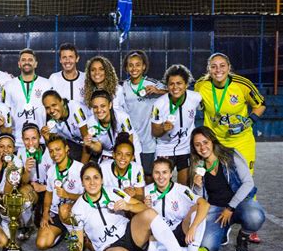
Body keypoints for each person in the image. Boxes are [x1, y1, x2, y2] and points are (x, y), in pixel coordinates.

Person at [65, 162, 200, 251]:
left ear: (101, 179)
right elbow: (77, 236)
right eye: (87, 178)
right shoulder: (77, 209)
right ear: (82, 182)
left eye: (96, 177)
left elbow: (142, 207)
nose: (92, 182)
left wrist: (127, 206)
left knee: (150, 214)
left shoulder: (114, 191)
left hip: (130, 234)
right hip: (108, 247)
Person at [195, 53, 266, 243]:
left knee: (245, 180)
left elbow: (261, 105)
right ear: (208, 69)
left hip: (241, 141)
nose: (218, 70)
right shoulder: (201, 86)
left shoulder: (242, 84)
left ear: (229, 67)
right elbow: (182, 94)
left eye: (222, 66)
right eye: (214, 66)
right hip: (215, 142)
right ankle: (221, 223)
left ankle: (249, 224)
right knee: (214, 181)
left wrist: (247, 122)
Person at [190, 126, 265, 251]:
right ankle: (224, 230)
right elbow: (198, 199)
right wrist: (197, 186)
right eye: (197, 145)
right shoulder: (197, 165)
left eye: (205, 142)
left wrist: (230, 208)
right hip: (215, 208)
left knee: (255, 216)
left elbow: (248, 183)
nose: (202, 148)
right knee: (207, 246)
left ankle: (243, 236)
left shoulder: (231, 155)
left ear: (213, 141)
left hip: (239, 204)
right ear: (194, 148)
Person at [144, 157, 210, 251]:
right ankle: (189, 250)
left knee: (198, 208)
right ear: (152, 174)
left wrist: (193, 227)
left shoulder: (181, 190)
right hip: (160, 235)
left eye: (164, 172)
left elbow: (205, 204)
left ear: (171, 174)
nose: (161, 177)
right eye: (157, 173)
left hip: (181, 232)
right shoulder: (146, 191)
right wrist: (144, 207)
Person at [151, 64, 201, 186]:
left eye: (179, 83)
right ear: (167, 86)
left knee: (184, 187)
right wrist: (163, 128)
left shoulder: (195, 98)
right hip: (165, 149)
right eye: (171, 84)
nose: (175, 87)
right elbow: (154, 132)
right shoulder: (158, 105)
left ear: (186, 84)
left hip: (185, 148)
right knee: (161, 185)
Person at [122, 50, 167, 183]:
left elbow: (174, 92)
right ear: (126, 68)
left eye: (137, 65)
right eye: (130, 65)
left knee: (148, 175)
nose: (134, 68)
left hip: (148, 139)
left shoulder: (152, 83)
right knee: (132, 174)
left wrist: (159, 91)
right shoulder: (124, 86)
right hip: (132, 138)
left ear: (144, 67)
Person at [36, 134, 84, 250]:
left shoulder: (80, 169)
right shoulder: (52, 170)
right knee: (41, 244)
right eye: (51, 151)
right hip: (56, 213)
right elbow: (48, 193)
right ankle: (63, 232)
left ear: (67, 149)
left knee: (65, 210)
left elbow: (88, 197)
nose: (54, 154)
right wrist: (46, 213)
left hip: (74, 212)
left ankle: (75, 231)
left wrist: (68, 195)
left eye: (58, 149)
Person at [3, 48, 53, 148]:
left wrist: (49, 129)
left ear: (36, 64)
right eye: (23, 60)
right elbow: (6, 112)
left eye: (30, 60)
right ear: (19, 64)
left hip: (40, 140)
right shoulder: (9, 85)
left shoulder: (46, 84)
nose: (27, 62)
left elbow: (52, 112)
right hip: (17, 141)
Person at [83, 89, 142, 165]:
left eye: (103, 106)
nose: (99, 110)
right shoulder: (91, 122)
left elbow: (129, 140)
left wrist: (124, 157)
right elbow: (99, 147)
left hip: (129, 148)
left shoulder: (123, 117)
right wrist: (90, 144)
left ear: (110, 105)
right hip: (108, 152)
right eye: (95, 107)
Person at [17, 123, 54, 237]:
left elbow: (60, 178)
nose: (31, 143)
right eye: (26, 139)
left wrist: (43, 187)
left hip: (51, 191)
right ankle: (27, 226)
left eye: (34, 138)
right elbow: (21, 182)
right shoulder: (21, 153)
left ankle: (40, 213)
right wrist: (27, 170)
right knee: (23, 193)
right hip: (33, 190)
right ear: (22, 140)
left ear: (40, 138)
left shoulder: (50, 151)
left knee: (44, 225)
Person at [0, 133, 24, 236]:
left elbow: (8, 192)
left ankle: (5, 219)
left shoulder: (17, 162)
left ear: (14, 148)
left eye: (9, 147)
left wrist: (9, 172)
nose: (5, 150)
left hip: (4, 197)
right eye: (1, 146)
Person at [41, 89, 90, 163]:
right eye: (47, 108)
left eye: (54, 105)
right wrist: (46, 138)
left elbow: (88, 143)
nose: (51, 110)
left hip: (93, 144)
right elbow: (54, 147)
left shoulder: (75, 108)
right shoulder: (51, 120)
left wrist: (81, 169)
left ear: (61, 102)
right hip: (78, 146)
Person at [100, 132, 145, 201]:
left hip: (129, 206)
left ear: (132, 157)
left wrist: (134, 196)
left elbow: (140, 197)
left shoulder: (137, 169)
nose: (123, 158)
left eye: (128, 154)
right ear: (113, 155)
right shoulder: (103, 167)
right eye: (119, 153)